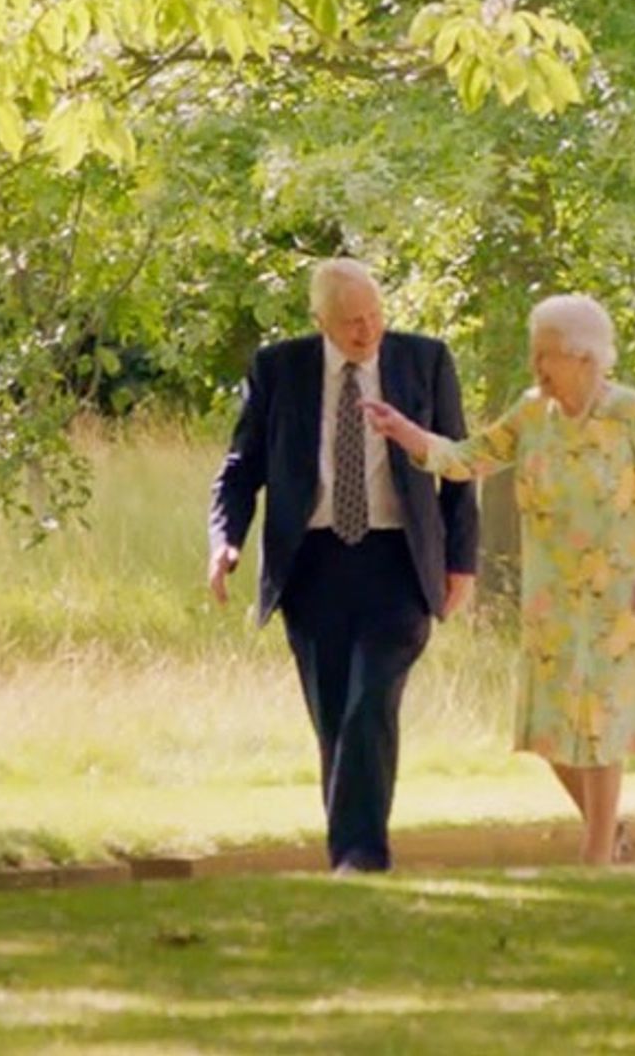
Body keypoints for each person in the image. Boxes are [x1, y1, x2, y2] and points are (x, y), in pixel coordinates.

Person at [363, 293, 635, 866]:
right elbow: (468, 458)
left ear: (584, 358)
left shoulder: (631, 414)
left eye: (546, 355)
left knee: (601, 729)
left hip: (618, 600)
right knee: (549, 735)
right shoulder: (530, 413)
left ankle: (596, 855)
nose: (537, 367)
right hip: (549, 602)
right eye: (535, 353)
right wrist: (406, 433)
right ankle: (609, 828)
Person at [209, 259, 479, 873]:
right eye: (352, 322)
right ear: (321, 321)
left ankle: (363, 854)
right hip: (313, 563)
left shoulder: (424, 361)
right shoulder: (280, 370)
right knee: (333, 713)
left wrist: (462, 561)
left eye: (375, 316)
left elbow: (458, 467)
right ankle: (349, 852)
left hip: (399, 561)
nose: (367, 331)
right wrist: (225, 542)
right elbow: (240, 469)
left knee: (370, 701)